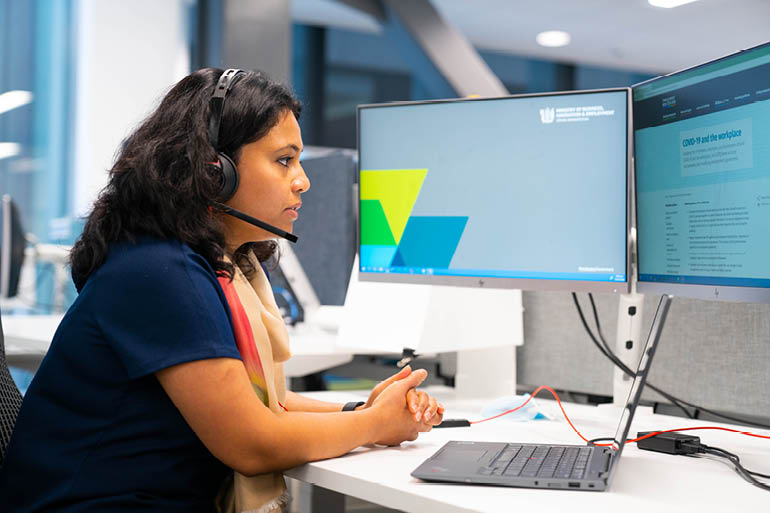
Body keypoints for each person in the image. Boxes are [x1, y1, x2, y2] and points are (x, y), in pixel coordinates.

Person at [0, 68, 444, 513]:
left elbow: (260, 400)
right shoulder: (160, 270)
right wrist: (374, 424)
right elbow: (252, 444)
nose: (303, 180)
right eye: (284, 160)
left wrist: (363, 411)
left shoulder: (207, 263)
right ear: (216, 173)